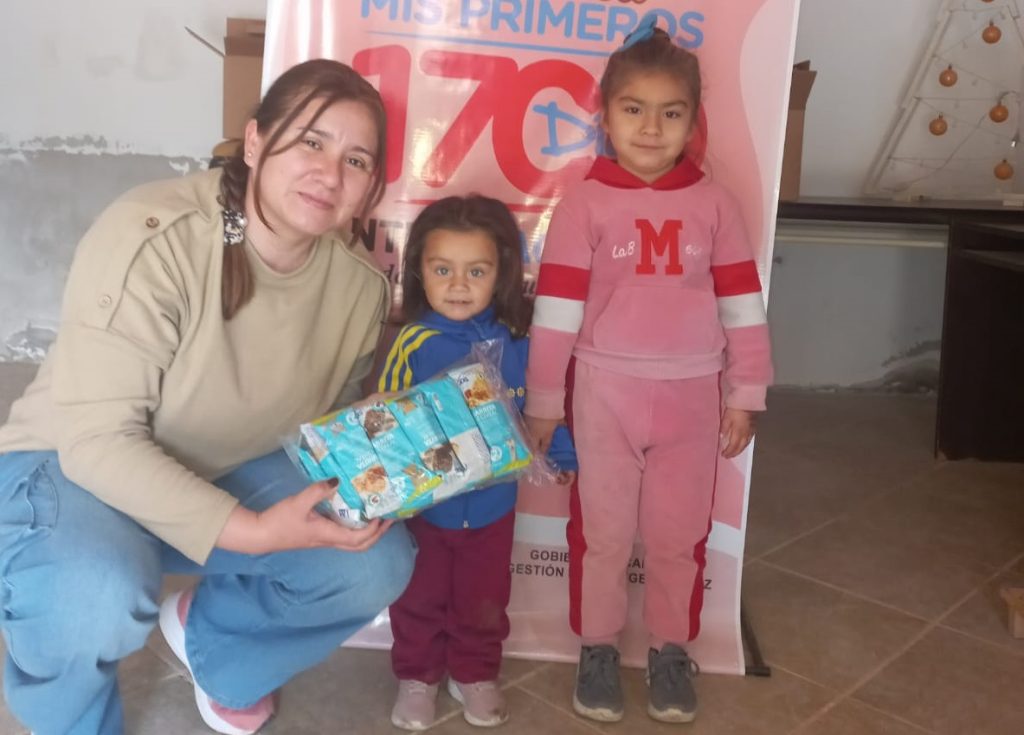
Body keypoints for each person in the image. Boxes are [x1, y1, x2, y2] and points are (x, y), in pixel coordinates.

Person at [0, 59, 416, 735]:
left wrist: (407, 448)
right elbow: (97, 442)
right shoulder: (156, 236)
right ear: (255, 142)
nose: (329, 173)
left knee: (373, 561)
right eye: (310, 141)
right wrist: (252, 532)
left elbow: (324, 432)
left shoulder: (359, 288)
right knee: (90, 593)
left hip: (224, 469)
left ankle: (217, 649)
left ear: (371, 186)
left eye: (356, 159)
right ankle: (73, 718)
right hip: (70, 467)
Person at [523, 18, 773, 725]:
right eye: (634, 109)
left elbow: (743, 308)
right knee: (602, 533)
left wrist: (746, 392)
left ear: (693, 122)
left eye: (671, 113)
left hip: (695, 397)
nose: (652, 128)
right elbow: (556, 316)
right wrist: (544, 401)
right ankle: (597, 648)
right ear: (605, 117)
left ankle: (670, 650)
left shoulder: (716, 205)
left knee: (677, 536)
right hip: (603, 394)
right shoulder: (583, 204)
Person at [377, 196, 577, 730]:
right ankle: (417, 675)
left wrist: (560, 454)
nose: (459, 285)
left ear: (502, 273)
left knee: (484, 598)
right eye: (442, 270)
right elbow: (385, 422)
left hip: (494, 507)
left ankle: (475, 673)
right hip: (426, 511)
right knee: (418, 595)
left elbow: (542, 404)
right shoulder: (413, 343)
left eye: (477, 271)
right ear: (418, 271)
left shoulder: (518, 340)